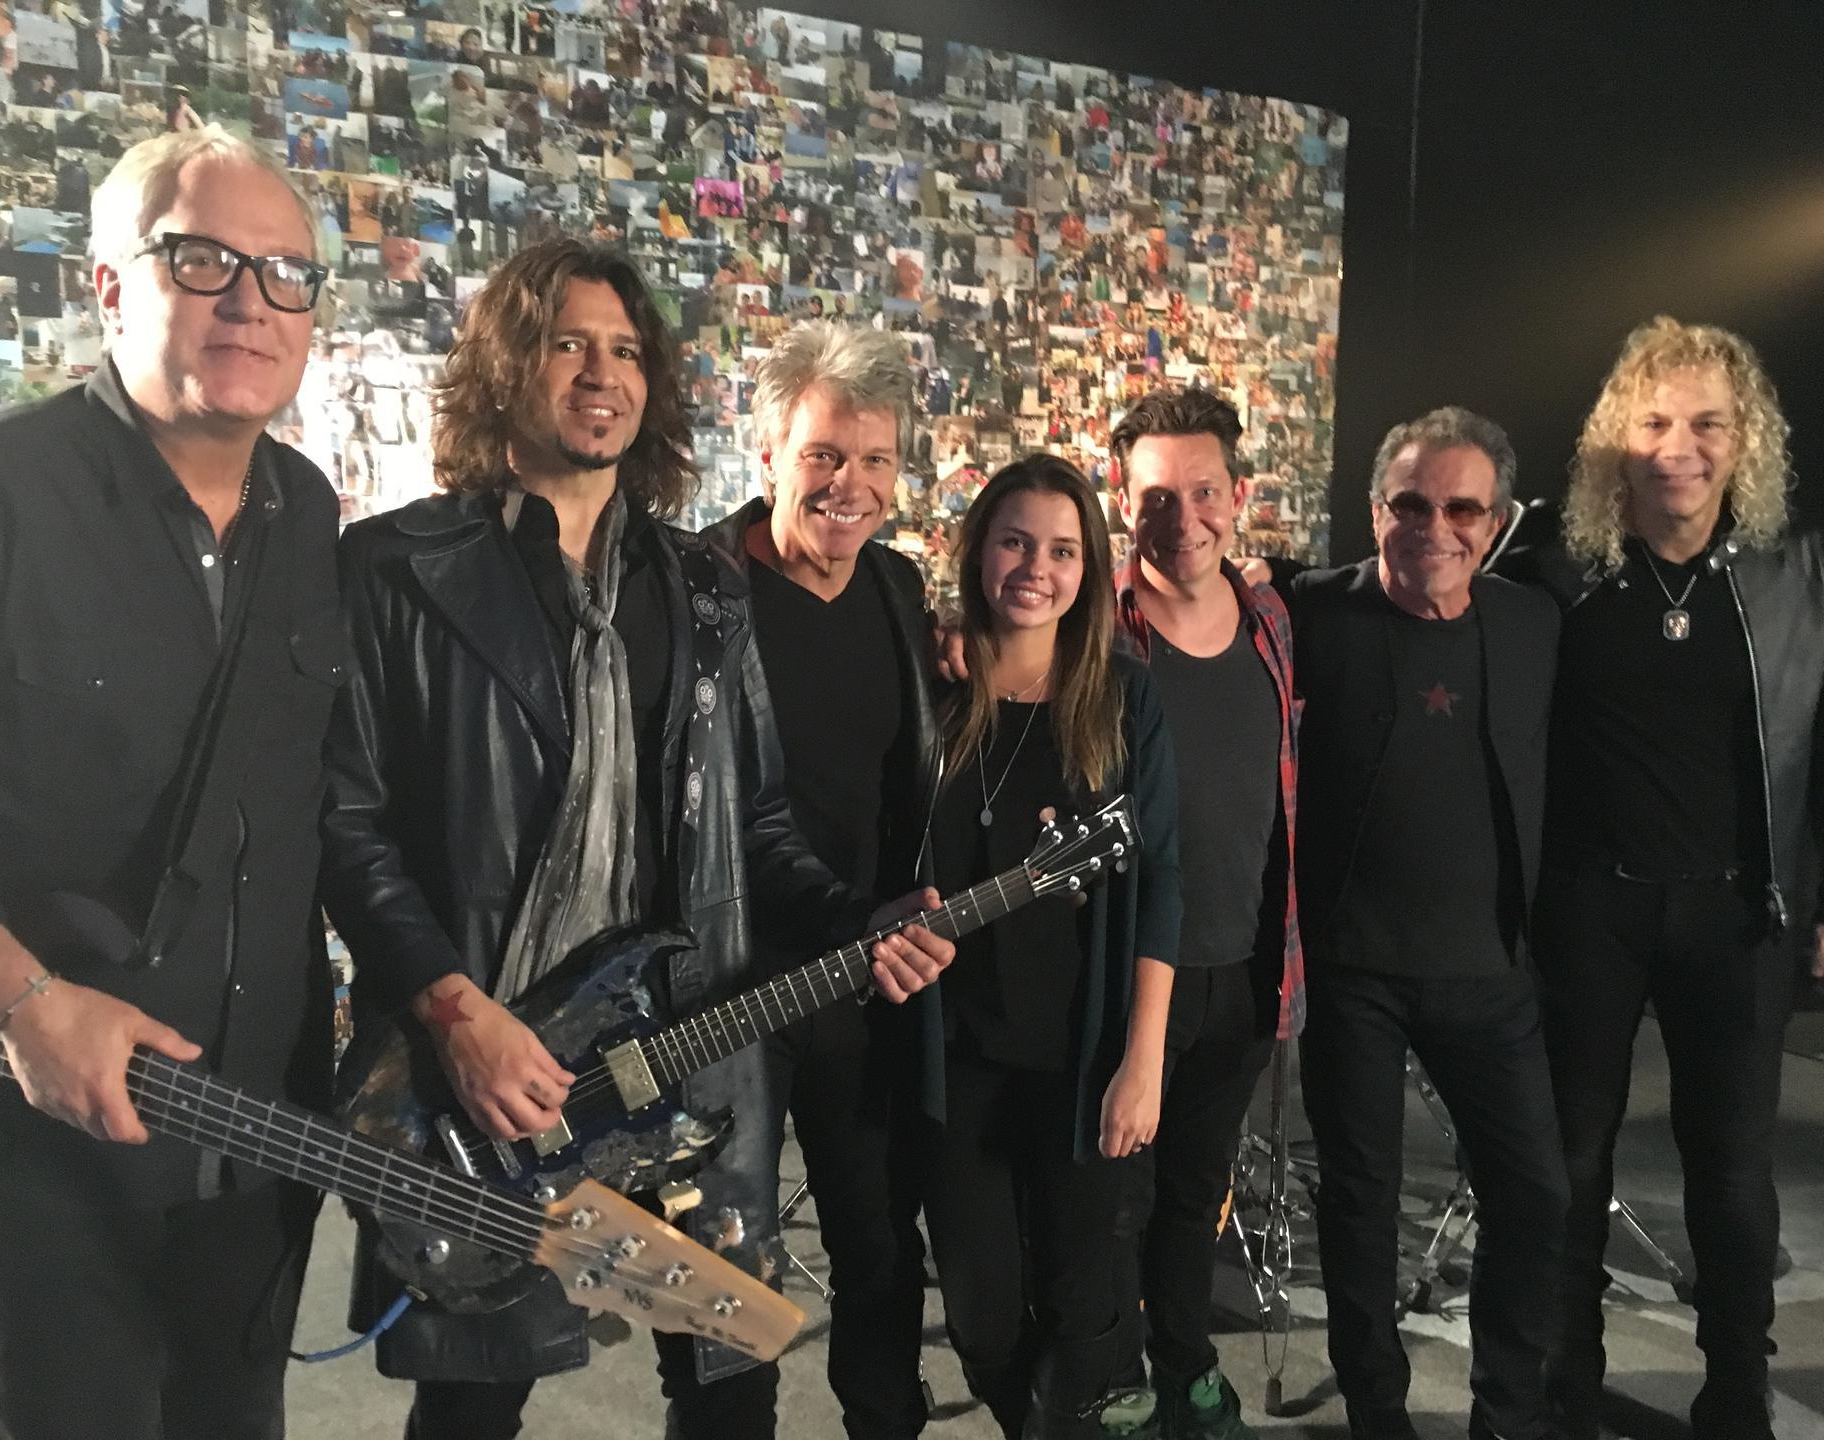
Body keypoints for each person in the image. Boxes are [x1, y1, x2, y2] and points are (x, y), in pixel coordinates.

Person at [318, 237, 953, 1440]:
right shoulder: (397, 573)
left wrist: (849, 918)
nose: (600, 372)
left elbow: (756, 821)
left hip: (693, 1054)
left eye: (624, 349)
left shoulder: (701, 591)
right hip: (498, 1060)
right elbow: (349, 831)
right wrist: (456, 1015)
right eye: (568, 342)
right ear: (507, 364)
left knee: (728, 1383)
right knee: (476, 1390)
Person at [0, 126, 338, 1440]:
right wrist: (22, 999)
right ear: (107, 284)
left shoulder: (311, 513)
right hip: (46, 1136)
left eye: (285, 273)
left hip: (261, 1126)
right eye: (204, 260)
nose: (251, 302)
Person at [1509, 318, 1824, 1440]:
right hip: (1588, 909)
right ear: (1615, 440)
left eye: (1706, 424)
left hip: (1740, 914)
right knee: (1571, 1160)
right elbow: (1418, 586)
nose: (1677, 446)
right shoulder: (1557, 566)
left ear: (1746, 444)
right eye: (1653, 421)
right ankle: (1565, 1378)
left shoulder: (1798, 578)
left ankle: (1737, 1385)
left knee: (1732, 1174)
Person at [1288, 408, 1569, 1440]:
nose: (1434, 526)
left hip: (1489, 970)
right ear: (1376, 510)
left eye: (1462, 507)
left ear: (1495, 524)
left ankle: (1508, 1410)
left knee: (1536, 1193)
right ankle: (1378, 1413)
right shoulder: (1308, 611)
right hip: (1352, 970)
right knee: (1360, 1210)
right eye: (1411, 503)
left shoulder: (1536, 623)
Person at [701, 321, 936, 1440]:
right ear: (771, 456)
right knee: (725, 1285)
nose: (852, 486)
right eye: (825, 457)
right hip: (734, 986)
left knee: (881, 1247)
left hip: (865, 977)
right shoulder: (700, 590)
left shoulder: (897, 587)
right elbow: (706, 812)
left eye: (877, 460)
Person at [919, 453, 1182, 1440]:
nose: (1037, 566)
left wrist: (1143, 1062)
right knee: (981, 1320)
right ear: (979, 545)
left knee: (1088, 1309)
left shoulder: (1124, 699)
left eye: (1064, 550)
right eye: (1017, 540)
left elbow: (1162, 886)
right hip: (959, 1064)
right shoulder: (930, 687)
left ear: (1092, 567)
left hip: (1083, 1058)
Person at [1108, 388, 1303, 1440]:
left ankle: (1185, 1367)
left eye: (1202, 491)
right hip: (1131, 965)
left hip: (1246, 963)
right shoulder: (1095, 624)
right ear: (1121, 500)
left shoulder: (1273, 620)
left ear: (1239, 494)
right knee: (1108, 1195)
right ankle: (1104, 1378)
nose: (1181, 519)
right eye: (1154, 497)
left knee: (1193, 1195)